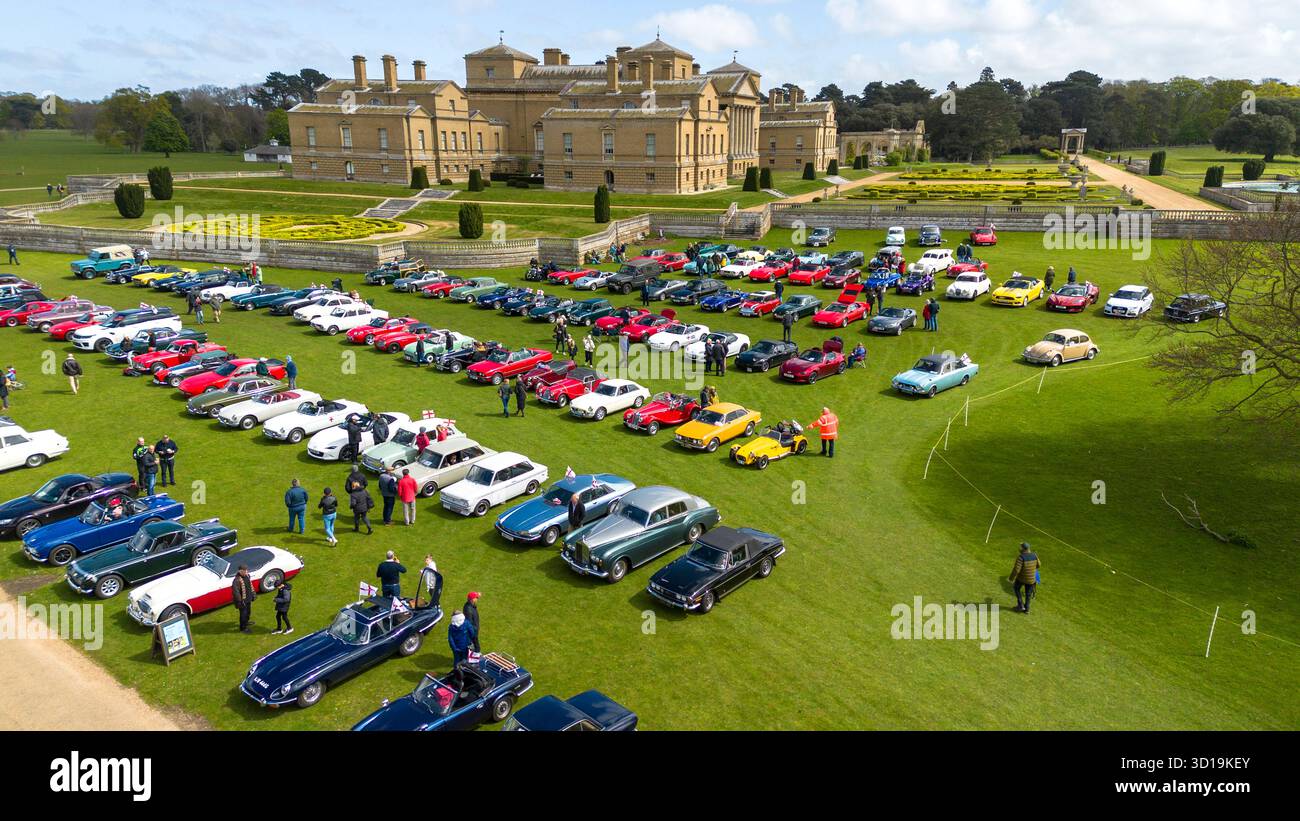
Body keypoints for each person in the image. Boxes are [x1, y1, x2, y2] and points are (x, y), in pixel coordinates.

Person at [1009, 542, 1042, 614]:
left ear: (1023, 549)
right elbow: (1039, 565)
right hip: (1031, 579)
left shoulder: (1021, 557)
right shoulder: (1034, 555)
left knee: (1016, 588)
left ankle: (1020, 605)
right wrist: (1032, 568)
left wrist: (1011, 578)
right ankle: (1027, 609)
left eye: (1021, 547)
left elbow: (1016, 570)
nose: (1019, 548)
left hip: (1022, 578)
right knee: (1028, 594)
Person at [232, 565, 256, 633]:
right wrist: (240, 601)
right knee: (243, 614)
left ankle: (246, 622)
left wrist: (253, 594)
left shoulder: (247, 576)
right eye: (244, 571)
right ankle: (243, 628)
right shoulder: (236, 580)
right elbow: (236, 592)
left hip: (248, 599)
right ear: (240, 571)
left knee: (248, 612)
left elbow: (250, 585)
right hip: (242, 601)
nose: (246, 572)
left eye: (246, 570)